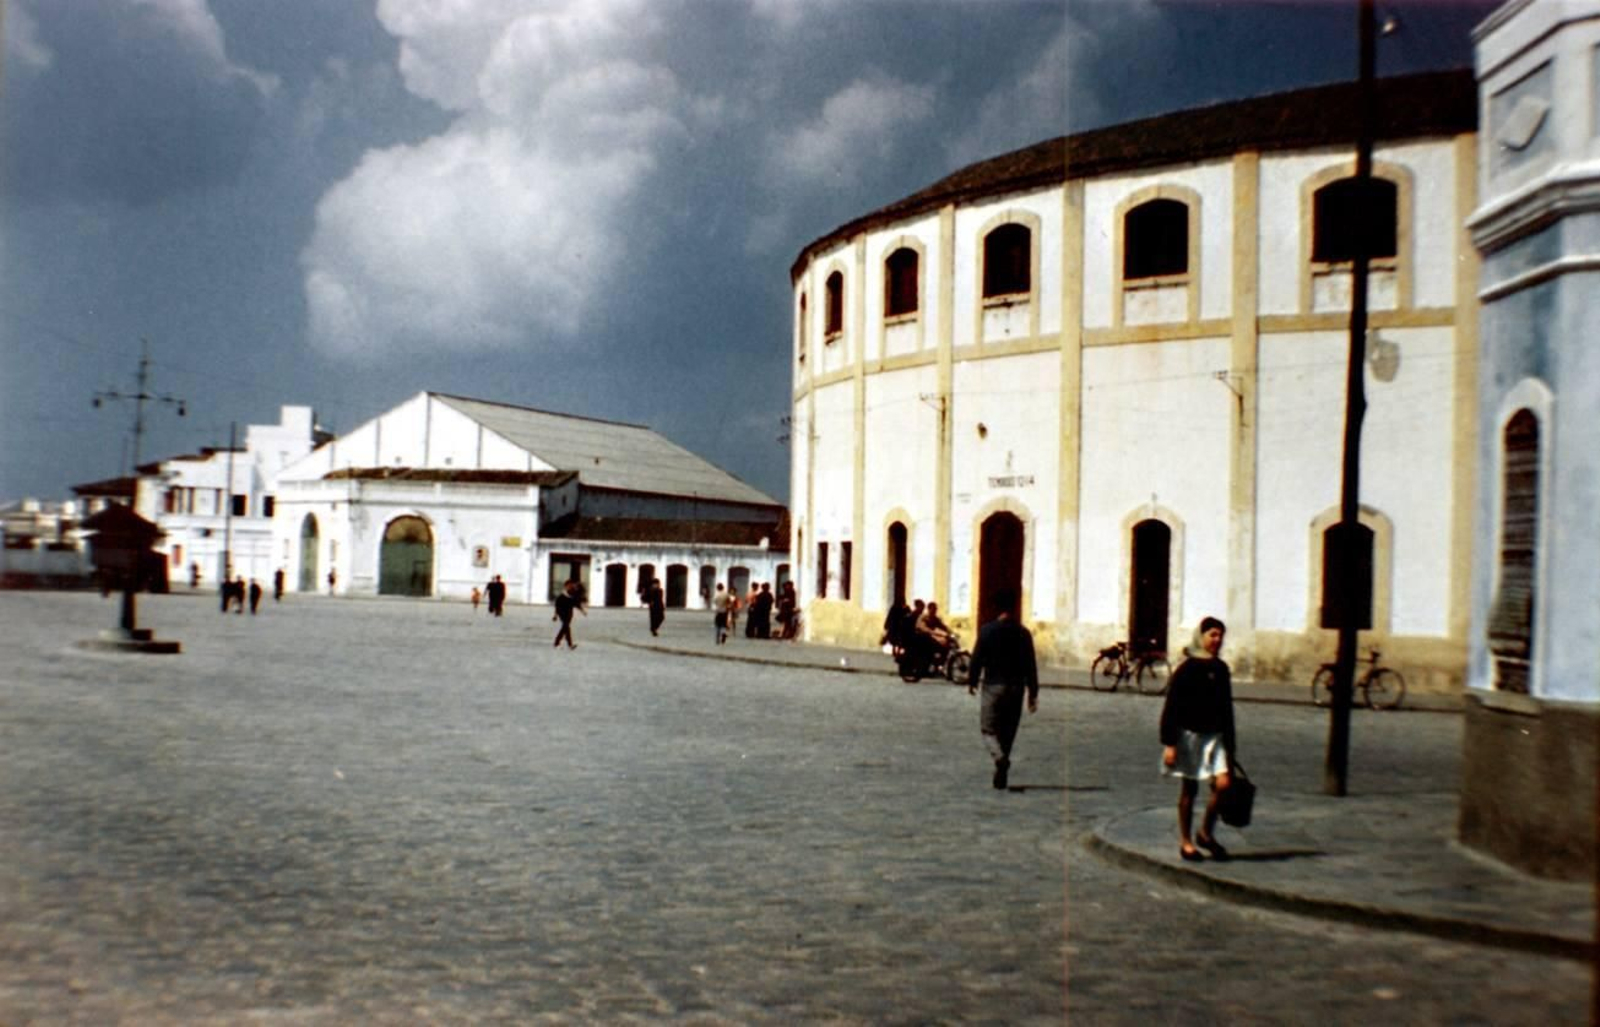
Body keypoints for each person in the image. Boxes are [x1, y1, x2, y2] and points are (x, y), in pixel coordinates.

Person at [1160, 616, 1237, 862]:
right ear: (1201, 636)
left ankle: (1205, 832)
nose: (1217, 640)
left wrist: (1231, 745)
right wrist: (1170, 743)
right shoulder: (1188, 669)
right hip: (1189, 736)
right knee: (1189, 790)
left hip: (1215, 737)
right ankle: (1186, 842)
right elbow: (1172, 707)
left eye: (1220, 635)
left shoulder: (1221, 669)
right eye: (1212, 634)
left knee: (1224, 785)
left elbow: (1227, 709)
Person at [966, 589, 1039, 790]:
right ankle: (1002, 768)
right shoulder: (1024, 633)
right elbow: (1030, 664)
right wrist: (1033, 692)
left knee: (988, 729)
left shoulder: (987, 630)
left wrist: (972, 680)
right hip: (1016, 688)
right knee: (1008, 731)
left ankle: (999, 758)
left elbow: (977, 657)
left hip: (993, 686)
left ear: (996, 608)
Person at [552, 579, 585, 649]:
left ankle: (563, 644)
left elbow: (576, 604)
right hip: (562, 613)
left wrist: (582, 611)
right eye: (569, 585)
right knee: (566, 627)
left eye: (571, 585)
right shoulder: (562, 596)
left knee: (566, 628)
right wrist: (555, 615)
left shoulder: (573, 595)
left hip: (569, 614)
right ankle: (562, 643)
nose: (570, 586)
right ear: (566, 586)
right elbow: (557, 605)